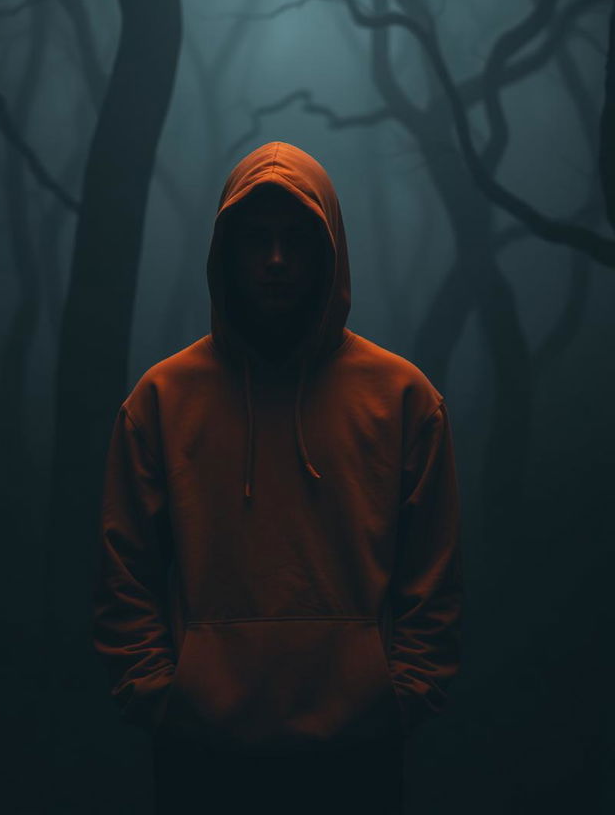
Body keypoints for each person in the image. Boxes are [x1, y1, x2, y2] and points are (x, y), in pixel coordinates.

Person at [91, 140, 464, 814]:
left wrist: (400, 699)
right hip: (199, 760)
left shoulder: (403, 398)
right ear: (224, 253)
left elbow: (434, 582)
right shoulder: (162, 401)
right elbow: (125, 577)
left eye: (297, 239)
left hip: (360, 760)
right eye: (254, 240)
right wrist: (160, 701)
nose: (275, 261)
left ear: (330, 252)